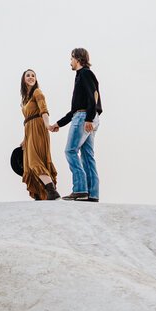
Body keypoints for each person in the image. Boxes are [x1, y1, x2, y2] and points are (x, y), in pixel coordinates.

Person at [49, 48, 102, 201]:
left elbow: (94, 97)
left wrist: (88, 119)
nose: (70, 62)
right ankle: (92, 194)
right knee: (87, 155)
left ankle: (80, 189)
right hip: (86, 116)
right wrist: (59, 123)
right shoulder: (82, 75)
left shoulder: (85, 73)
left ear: (78, 59)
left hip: (85, 116)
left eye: (71, 58)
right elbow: (74, 110)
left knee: (70, 151)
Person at [19, 69, 61, 200]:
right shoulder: (25, 99)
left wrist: (47, 124)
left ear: (36, 79)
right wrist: (24, 139)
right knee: (29, 164)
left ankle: (52, 191)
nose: (31, 77)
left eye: (33, 76)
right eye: (28, 76)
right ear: (23, 79)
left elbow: (44, 110)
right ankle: (41, 193)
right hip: (29, 131)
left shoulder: (37, 92)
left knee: (34, 162)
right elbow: (27, 120)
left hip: (38, 127)